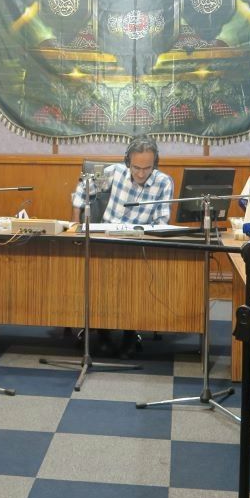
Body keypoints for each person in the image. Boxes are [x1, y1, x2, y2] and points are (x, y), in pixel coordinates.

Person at [69, 136, 175, 358]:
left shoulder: (164, 182)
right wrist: (75, 224)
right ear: (128, 162)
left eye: (147, 168)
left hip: (139, 243)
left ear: (155, 164)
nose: (141, 174)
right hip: (107, 238)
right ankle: (103, 332)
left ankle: (130, 332)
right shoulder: (115, 172)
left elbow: (161, 222)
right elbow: (81, 191)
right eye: (136, 167)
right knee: (98, 276)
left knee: (135, 279)